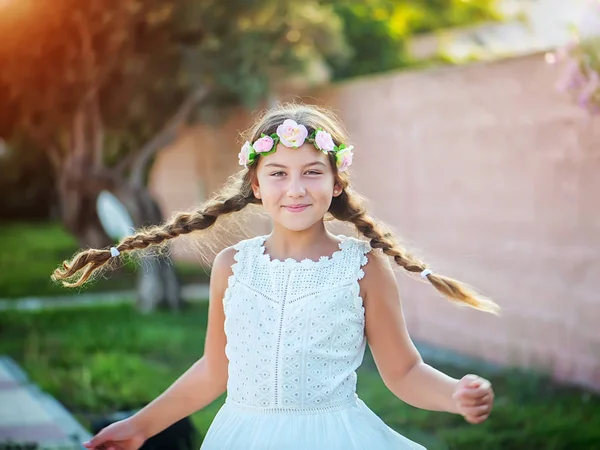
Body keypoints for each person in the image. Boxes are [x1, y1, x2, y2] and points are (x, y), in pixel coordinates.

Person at [53, 103, 499, 450]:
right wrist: (139, 427)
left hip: (334, 436)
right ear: (256, 184)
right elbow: (214, 370)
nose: (296, 189)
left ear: (337, 182)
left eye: (312, 172)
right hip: (243, 435)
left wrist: (454, 394)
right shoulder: (233, 266)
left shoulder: (362, 268)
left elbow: (404, 371)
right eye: (278, 174)